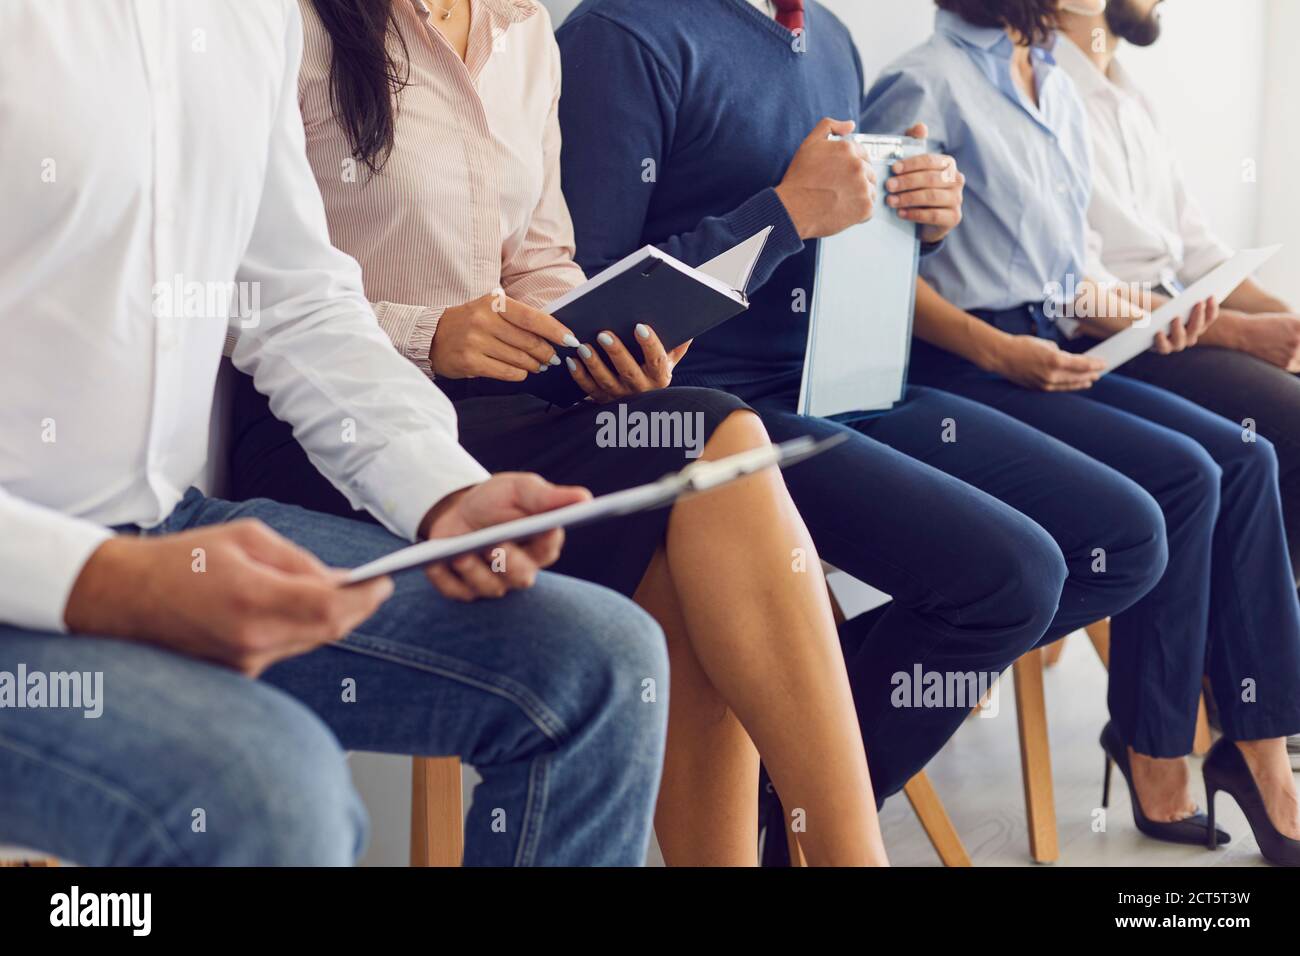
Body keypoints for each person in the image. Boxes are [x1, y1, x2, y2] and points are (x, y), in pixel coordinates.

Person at [0, 0, 672, 867]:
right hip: (38, 566)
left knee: (602, 667)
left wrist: (442, 489)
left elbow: (292, 299)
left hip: (162, 532)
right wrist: (106, 581)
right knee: (269, 789)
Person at [229, 0, 885, 866]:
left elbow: (541, 260)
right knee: (717, 436)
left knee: (689, 501)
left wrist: (598, 342)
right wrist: (433, 331)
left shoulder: (522, 28)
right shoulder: (286, 24)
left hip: (507, 408)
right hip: (328, 424)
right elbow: (242, 287)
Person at [552, 0, 1172, 854]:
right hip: (712, 413)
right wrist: (788, 210)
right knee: (1014, 576)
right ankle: (801, 817)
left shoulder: (830, 38)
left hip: (847, 380)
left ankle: (779, 787)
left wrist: (922, 220)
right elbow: (584, 307)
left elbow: (836, 240)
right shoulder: (621, 35)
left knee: (1128, 535)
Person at [860, 0, 1300, 864]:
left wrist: (1156, 319)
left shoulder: (1055, 86)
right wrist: (1002, 349)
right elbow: (872, 273)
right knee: (1188, 480)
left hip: (1049, 342)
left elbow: (1070, 281)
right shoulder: (924, 79)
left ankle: (1256, 747)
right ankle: (1159, 751)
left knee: (1241, 459)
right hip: (963, 361)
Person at [1055, 0, 1300, 586]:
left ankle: (1261, 636)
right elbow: (1076, 294)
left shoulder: (1131, 98)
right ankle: (1242, 652)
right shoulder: (1049, 96)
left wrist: (1284, 320)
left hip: (1181, 315)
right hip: (1121, 338)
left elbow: (1200, 252)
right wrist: (1244, 334)